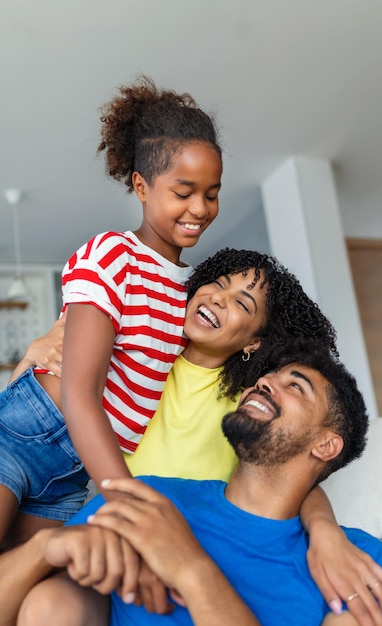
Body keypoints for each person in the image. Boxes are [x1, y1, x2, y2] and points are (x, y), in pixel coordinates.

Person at [6, 249, 382, 624]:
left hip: (184, 537)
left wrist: (324, 530)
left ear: (254, 343)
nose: (219, 298)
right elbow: (46, 412)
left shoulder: (245, 403)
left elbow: (289, 468)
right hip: (105, 509)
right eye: (218, 283)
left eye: (243, 303)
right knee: (37, 590)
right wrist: (30, 361)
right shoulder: (135, 361)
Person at [0, 75, 223, 547]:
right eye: (183, 192)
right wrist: (126, 499)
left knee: (16, 589)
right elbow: (82, 394)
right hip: (30, 433)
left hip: (72, 471)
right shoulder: (113, 256)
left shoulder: (193, 292)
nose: (200, 208)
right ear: (142, 186)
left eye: (212, 193)